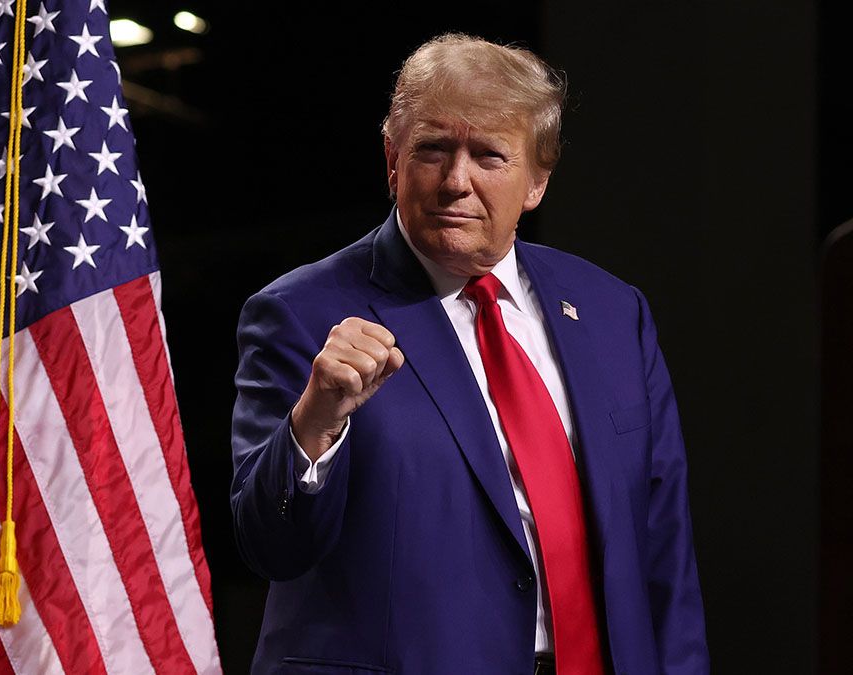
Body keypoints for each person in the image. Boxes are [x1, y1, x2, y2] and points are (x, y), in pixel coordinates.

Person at [230, 34, 708, 674]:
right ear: (392, 160)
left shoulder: (613, 312)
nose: (457, 181)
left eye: (489, 155)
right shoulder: (300, 314)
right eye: (433, 150)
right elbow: (270, 545)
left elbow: (663, 550)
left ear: (537, 181)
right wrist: (316, 420)